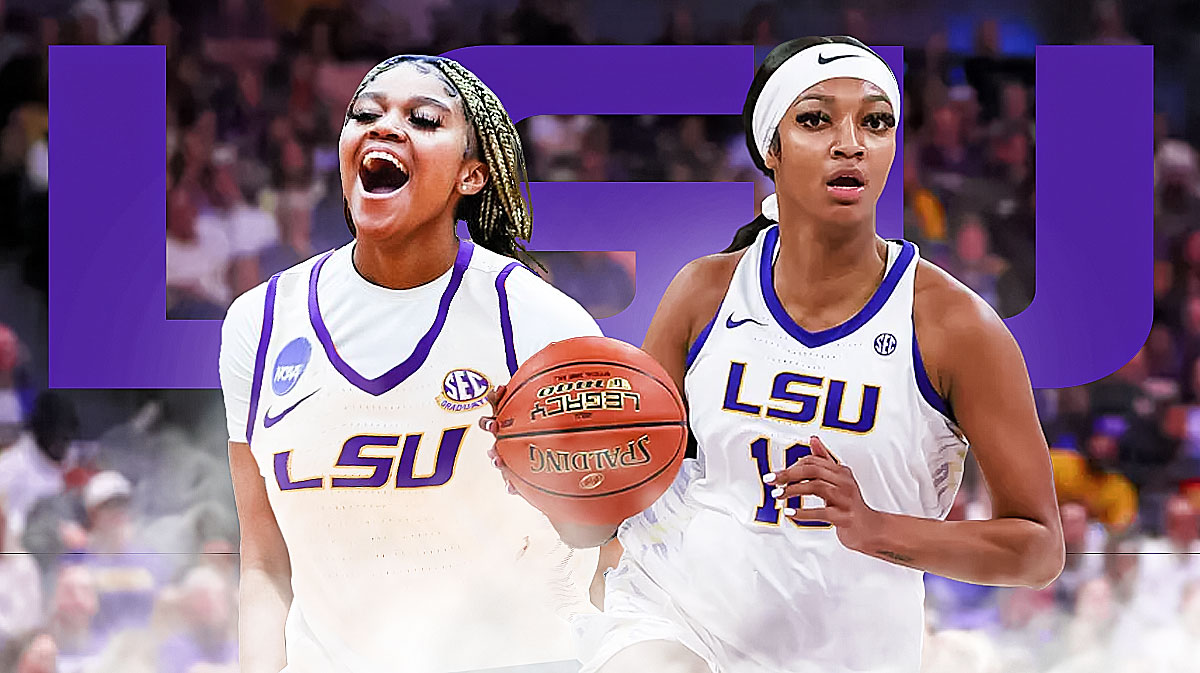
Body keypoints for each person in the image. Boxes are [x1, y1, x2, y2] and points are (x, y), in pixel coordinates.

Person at [489, 36, 1064, 672]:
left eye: (875, 121)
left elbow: (1036, 550)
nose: (851, 142)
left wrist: (876, 527)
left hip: (850, 650)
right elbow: (632, 480)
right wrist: (549, 450)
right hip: (676, 617)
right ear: (772, 148)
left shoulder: (955, 326)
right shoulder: (705, 290)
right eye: (816, 119)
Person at [219, 54, 601, 672]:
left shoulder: (536, 322)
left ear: (471, 176)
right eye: (364, 114)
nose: (385, 127)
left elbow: (601, 542)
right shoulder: (260, 323)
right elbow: (266, 560)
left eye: (423, 119)